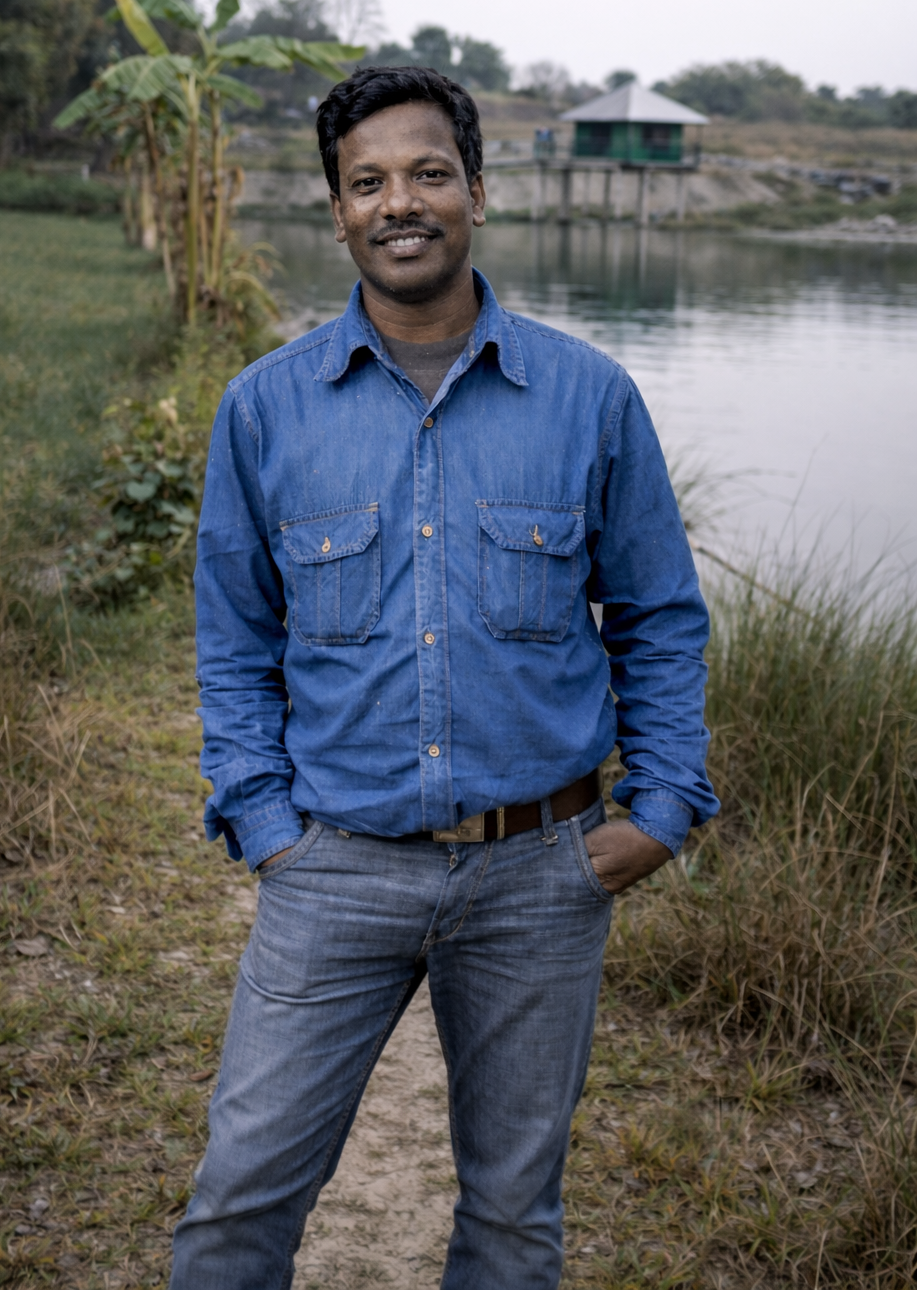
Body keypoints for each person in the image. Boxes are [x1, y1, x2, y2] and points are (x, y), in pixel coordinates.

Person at [169, 66, 717, 1290]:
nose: (398, 202)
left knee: (514, 1217)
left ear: (477, 190)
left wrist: (662, 811)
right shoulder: (263, 411)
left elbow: (658, 618)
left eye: (426, 174)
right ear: (336, 211)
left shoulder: (589, 397)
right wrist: (266, 825)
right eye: (367, 182)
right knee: (237, 1199)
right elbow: (235, 639)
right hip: (333, 870)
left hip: (542, 875)